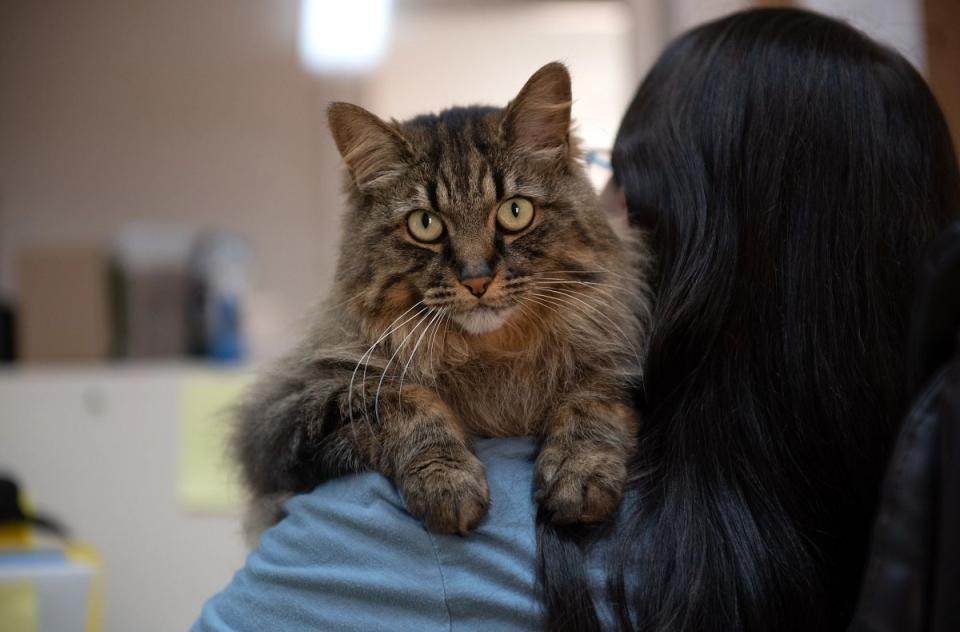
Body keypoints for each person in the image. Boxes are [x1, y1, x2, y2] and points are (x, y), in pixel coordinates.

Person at [191, 8, 960, 631]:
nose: (477, 270)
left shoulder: (403, 540)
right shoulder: (913, 495)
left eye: (626, 183)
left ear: (691, 240)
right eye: (612, 179)